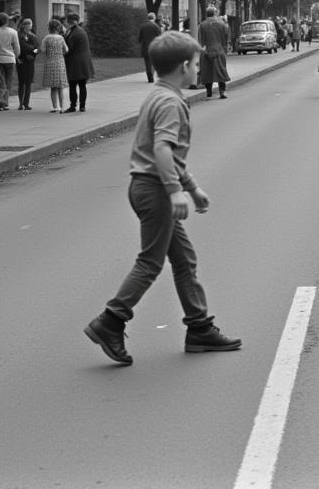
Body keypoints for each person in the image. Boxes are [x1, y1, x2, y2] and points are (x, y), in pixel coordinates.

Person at [83, 31, 241, 365]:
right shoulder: (170, 102)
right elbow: (162, 149)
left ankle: (199, 327)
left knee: (184, 260)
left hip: (145, 186)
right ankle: (111, 320)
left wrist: (192, 187)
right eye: (197, 64)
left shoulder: (159, 95)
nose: (199, 69)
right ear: (184, 66)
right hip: (155, 189)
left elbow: (164, 150)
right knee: (150, 262)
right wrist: (175, 190)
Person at [64, 13, 95, 113]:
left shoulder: (74, 33)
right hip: (83, 62)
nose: (66, 23)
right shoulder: (79, 30)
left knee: (73, 84)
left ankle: (73, 106)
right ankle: (82, 106)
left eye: (67, 21)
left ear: (71, 22)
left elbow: (68, 48)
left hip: (75, 62)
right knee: (82, 85)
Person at [196, 6, 230, 99]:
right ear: (214, 14)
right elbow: (226, 37)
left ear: (206, 14)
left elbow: (200, 40)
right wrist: (223, 46)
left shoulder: (202, 25)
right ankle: (221, 91)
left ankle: (209, 93)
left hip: (207, 51)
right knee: (221, 71)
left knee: (207, 72)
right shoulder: (221, 24)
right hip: (218, 50)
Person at [0, 12, 20, 111]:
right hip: (9, 59)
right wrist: (15, 55)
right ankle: (5, 101)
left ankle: (0, 99)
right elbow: (17, 48)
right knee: (8, 81)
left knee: (0, 81)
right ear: (7, 21)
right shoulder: (13, 32)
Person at [40, 19, 69, 113]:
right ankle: (62, 107)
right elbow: (66, 50)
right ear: (58, 28)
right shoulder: (61, 38)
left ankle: (55, 107)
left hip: (50, 62)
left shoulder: (46, 38)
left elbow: (42, 49)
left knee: (53, 87)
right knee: (60, 86)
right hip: (60, 62)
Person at [16, 18, 40, 110]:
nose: (28, 27)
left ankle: (25, 103)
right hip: (22, 60)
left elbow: (37, 49)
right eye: (27, 25)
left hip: (29, 61)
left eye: (29, 25)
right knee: (22, 82)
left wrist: (33, 54)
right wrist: (31, 49)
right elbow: (19, 47)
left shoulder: (33, 36)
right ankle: (21, 103)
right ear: (24, 26)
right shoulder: (19, 36)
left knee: (27, 83)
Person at [138, 13, 161, 83]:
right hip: (154, 47)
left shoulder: (143, 26)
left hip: (145, 47)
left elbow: (140, 38)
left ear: (148, 18)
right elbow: (160, 37)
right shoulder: (156, 26)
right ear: (154, 18)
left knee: (147, 63)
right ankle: (154, 75)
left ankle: (150, 78)